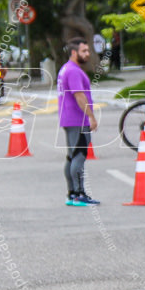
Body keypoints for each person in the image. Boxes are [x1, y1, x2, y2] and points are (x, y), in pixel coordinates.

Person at [57, 39, 99, 206]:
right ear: (74, 52)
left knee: (72, 156)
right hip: (77, 119)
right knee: (79, 157)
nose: (87, 54)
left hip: (69, 119)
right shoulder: (73, 71)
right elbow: (79, 96)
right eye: (84, 51)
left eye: (88, 50)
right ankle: (78, 194)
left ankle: (72, 193)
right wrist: (91, 116)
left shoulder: (65, 69)